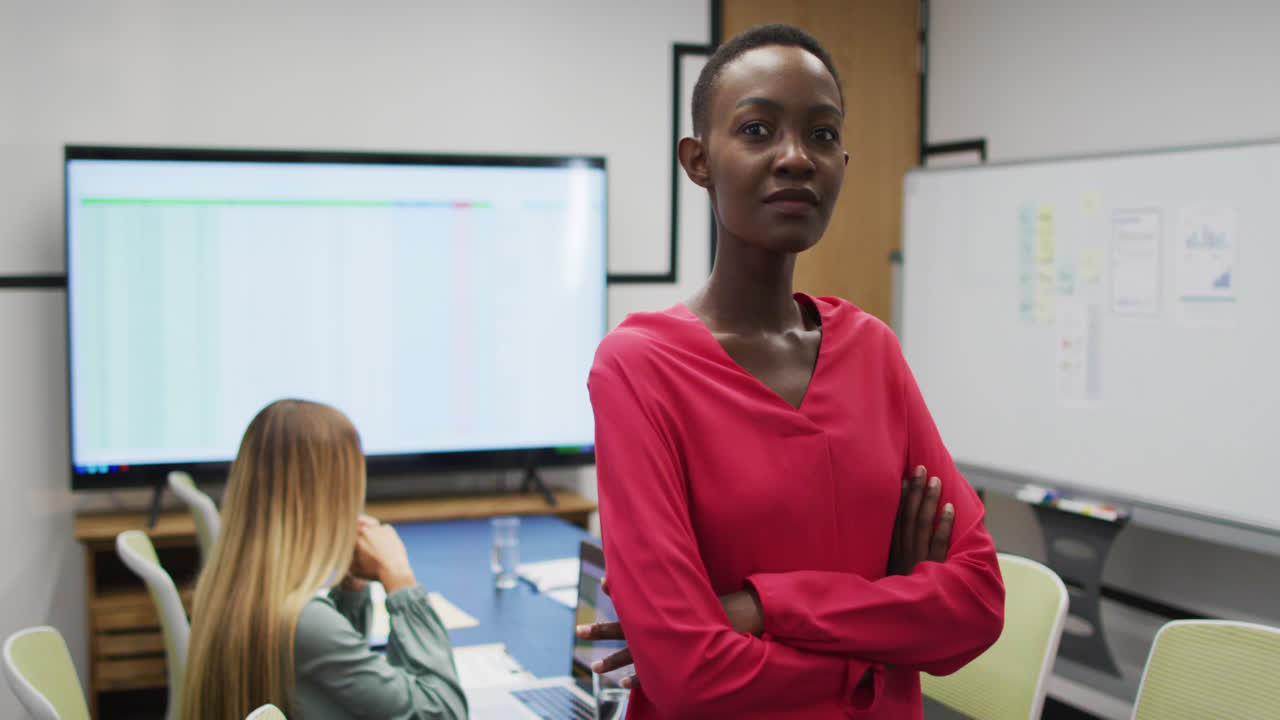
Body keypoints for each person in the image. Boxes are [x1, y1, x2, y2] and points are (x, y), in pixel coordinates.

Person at [581, 23, 1005, 719]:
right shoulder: (640, 368)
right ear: (697, 161)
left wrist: (757, 607)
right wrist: (881, 647)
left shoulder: (872, 352)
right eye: (756, 131)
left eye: (823, 135)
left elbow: (978, 603)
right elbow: (690, 675)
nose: (796, 158)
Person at [181, 399, 467, 720]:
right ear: (336, 495)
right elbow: (442, 713)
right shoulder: (303, 621)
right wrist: (401, 582)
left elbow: (336, 687)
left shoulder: (230, 586)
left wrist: (352, 588)